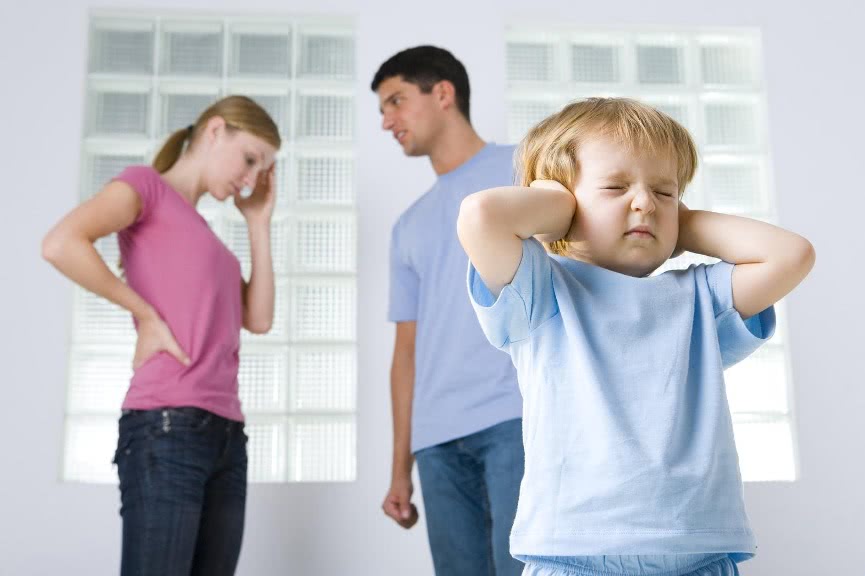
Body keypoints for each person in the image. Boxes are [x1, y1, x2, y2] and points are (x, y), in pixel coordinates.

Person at [457, 97, 815, 576]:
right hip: (573, 554)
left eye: (666, 192)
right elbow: (481, 215)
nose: (645, 202)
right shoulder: (541, 292)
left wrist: (680, 225)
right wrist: (560, 209)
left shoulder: (701, 297)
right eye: (615, 187)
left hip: (699, 554)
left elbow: (792, 254)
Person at [42, 95, 280, 576]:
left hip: (228, 437)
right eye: (250, 159)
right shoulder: (146, 187)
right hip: (168, 428)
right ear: (216, 131)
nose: (250, 179)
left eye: (262, 170)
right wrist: (144, 314)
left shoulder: (208, 239)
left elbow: (258, 318)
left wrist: (258, 222)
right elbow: (60, 243)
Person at [372, 45, 525, 575]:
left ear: (443, 93)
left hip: (515, 419)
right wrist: (400, 468)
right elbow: (406, 352)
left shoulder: (523, 167)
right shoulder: (407, 225)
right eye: (382, 110)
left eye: (396, 101)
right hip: (436, 443)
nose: (386, 121)